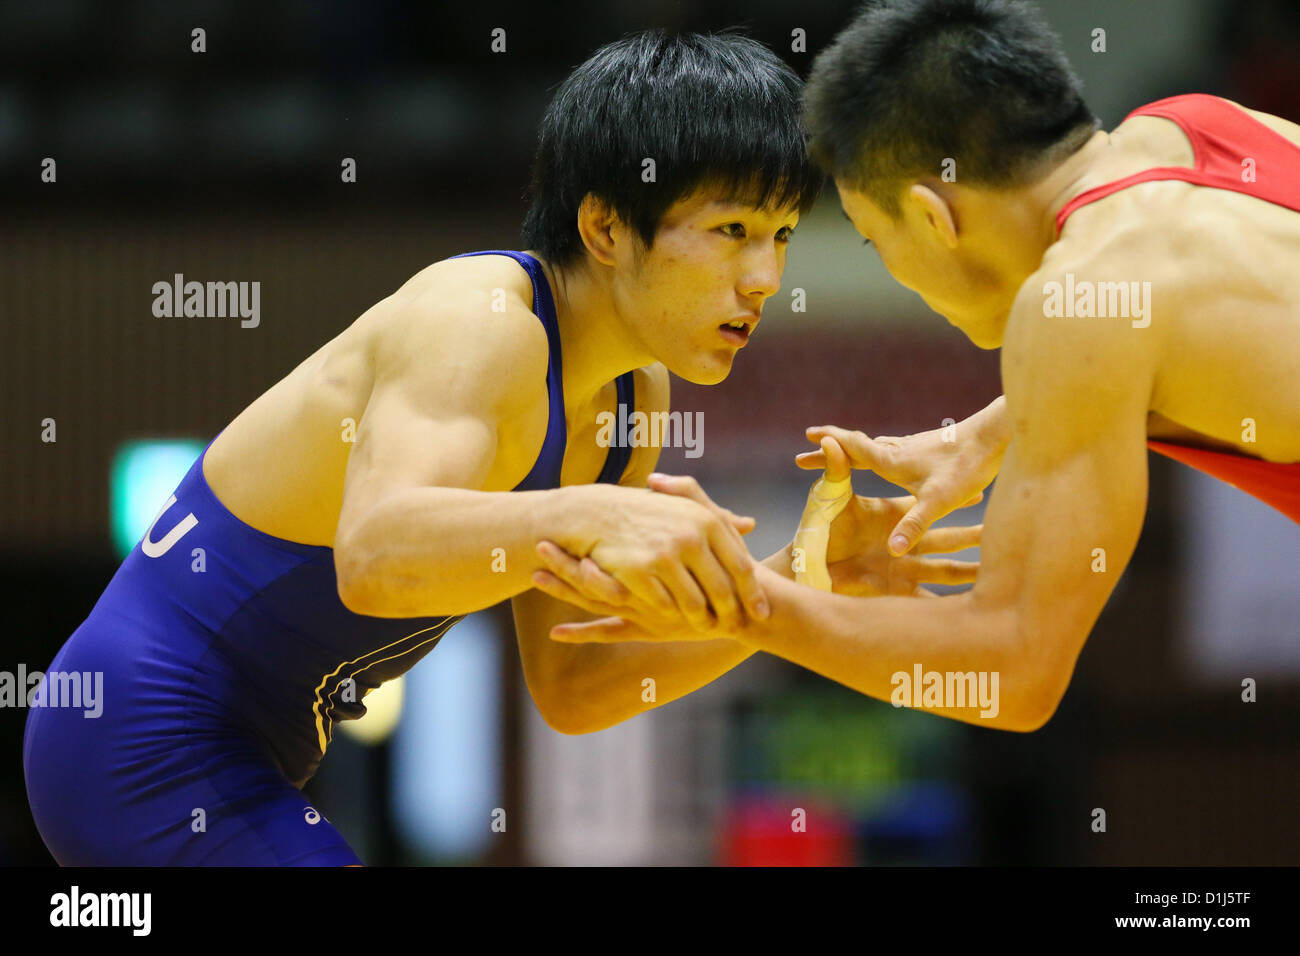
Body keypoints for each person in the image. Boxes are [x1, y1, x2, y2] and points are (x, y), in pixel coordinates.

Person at [25, 29, 957, 867]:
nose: (766, 279)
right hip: (135, 733)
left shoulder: (633, 398)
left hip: (248, 752)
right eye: (731, 232)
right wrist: (595, 512)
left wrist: (792, 577)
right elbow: (377, 557)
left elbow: (576, 687)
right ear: (603, 227)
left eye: (783, 235)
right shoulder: (479, 324)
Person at [531, 0, 1300, 733]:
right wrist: (996, 429)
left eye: (875, 238)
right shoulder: (1198, 126)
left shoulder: (1074, 301)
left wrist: (742, 598)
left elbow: (1014, 671)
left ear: (934, 218)